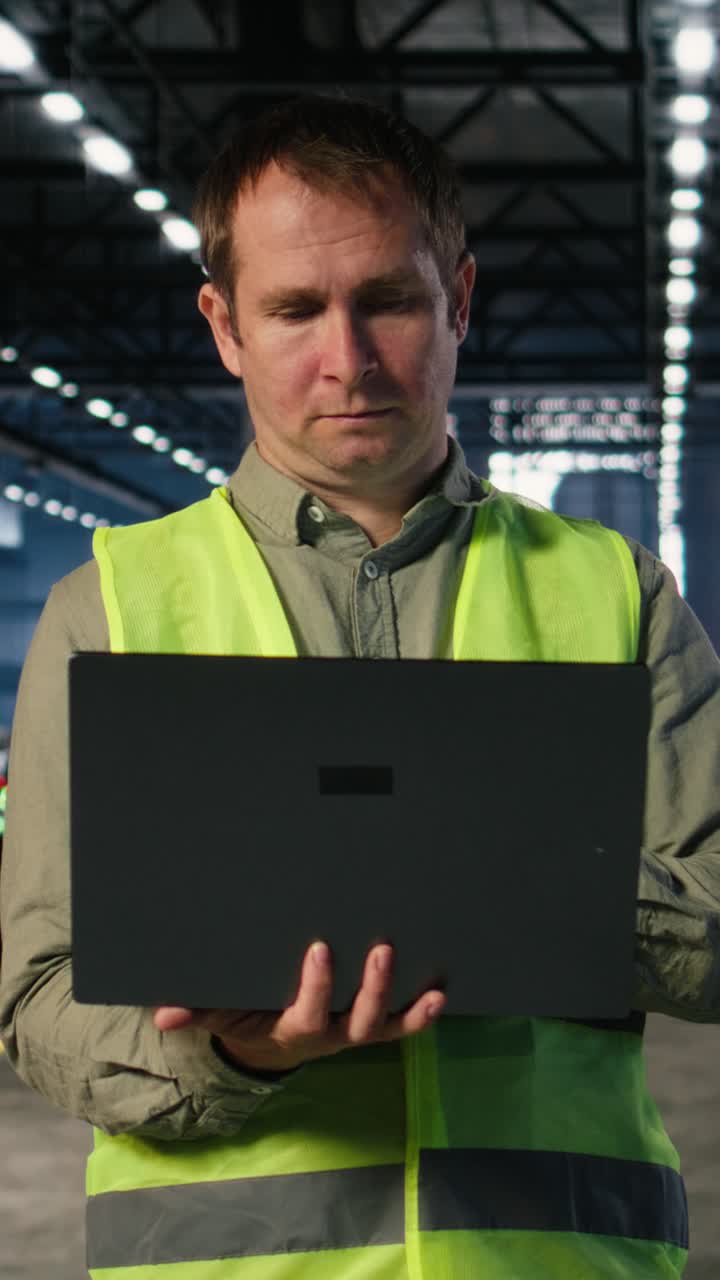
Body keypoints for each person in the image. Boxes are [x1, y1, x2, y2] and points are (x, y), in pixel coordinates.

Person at [0, 94, 719, 1280]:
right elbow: (36, 997)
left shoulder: (618, 590)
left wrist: (530, 884)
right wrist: (240, 1056)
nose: (348, 357)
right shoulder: (108, 610)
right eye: (294, 309)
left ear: (460, 301)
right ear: (224, 325)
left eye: (388, 298)